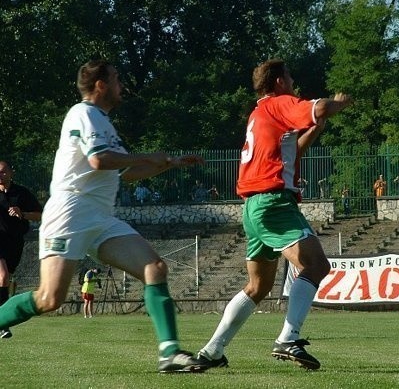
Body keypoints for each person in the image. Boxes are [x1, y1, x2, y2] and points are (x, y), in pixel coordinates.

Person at [0, 59, 209, 373]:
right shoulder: (83, 113)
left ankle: (170, 353)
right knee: (49, 298)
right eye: (116, 79)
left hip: (99, 217)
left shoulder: (104, 123)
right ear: (100, 85)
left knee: (155, 267)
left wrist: (169, 162)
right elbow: (99, 160)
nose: (121, 85)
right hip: (69, 214)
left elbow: (124, 172)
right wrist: (147, 156)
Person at [195, 59, 352, 370]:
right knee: (316, 264)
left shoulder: (259, 113)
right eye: (290, 77)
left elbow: (292, 150)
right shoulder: (279, 103)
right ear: (279, 81)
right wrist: (337, 104)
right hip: (273, 201)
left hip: (253, 206)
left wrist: (316, 129)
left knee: (257, 286)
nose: (293, 83)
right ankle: (288, 338)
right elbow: (317, 108)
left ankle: (212, 351)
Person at [0, 160, 43, 339]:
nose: (0, 175)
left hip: (15, 243)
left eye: (3, 171)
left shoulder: (22, 193)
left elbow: (40, 215)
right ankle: (3, 324)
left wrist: (22, 214)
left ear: (11, 173)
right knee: (3, 277)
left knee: (5, 280)